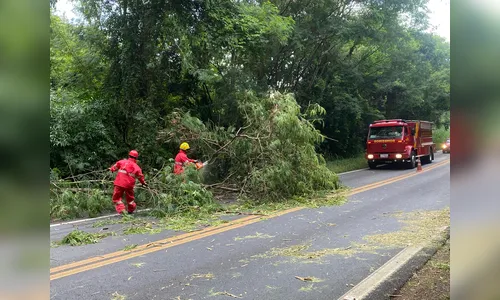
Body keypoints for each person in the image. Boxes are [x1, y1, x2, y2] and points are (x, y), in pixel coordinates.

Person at [109, 150, 148, 214]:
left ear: (129, 156)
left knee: (116, 198)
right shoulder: (137, 167)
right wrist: (143, 183)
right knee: (130, 199)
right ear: (136, 158)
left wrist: (111, 169)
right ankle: (130, 210)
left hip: (119, 183)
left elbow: (115, 167)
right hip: (129, 185)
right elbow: (140, 176)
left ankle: (122, 210)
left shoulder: (122, 162)